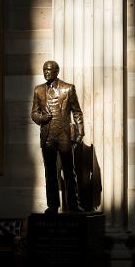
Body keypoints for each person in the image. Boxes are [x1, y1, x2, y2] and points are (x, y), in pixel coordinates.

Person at [30, 60, 85, 213]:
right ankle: (52, 205)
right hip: (47, 136)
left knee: (69, 171)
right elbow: (34, 113)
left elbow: (77, 112)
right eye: (44, 70)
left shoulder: (68, 89)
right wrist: (41, 118)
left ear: (56, 71)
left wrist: (79, 132)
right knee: (50, 173)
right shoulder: (38, 90)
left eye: (49, 70)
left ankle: (73, 204)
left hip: (64, 136)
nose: (46, 72)